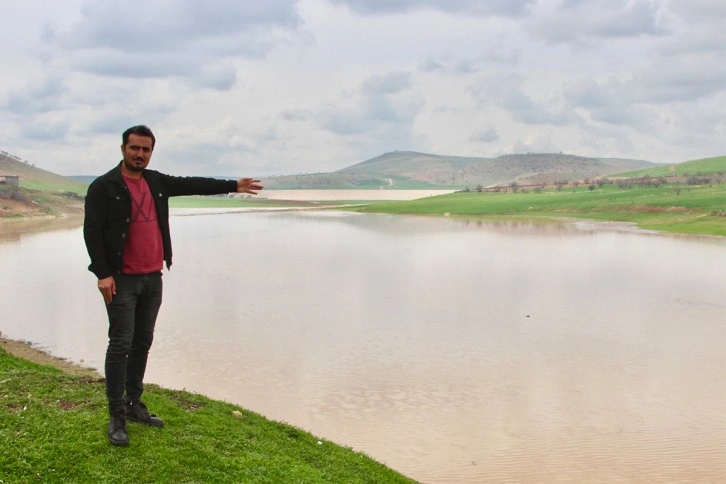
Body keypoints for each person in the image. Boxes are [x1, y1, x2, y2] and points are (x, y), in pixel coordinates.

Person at [83, 125, 263, 447]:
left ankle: (134, 403)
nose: (140, 154)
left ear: (151, 152)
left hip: (153, 277)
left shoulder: (156, 181)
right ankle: (116, 415)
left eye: (146, 150)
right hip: (121, 280)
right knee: (120, 343)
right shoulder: (104, 186)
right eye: (134, 148)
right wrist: (103, 273)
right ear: (123, 148)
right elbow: (92, 231)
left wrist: (233, 184)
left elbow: (193, 184)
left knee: (142, 342)